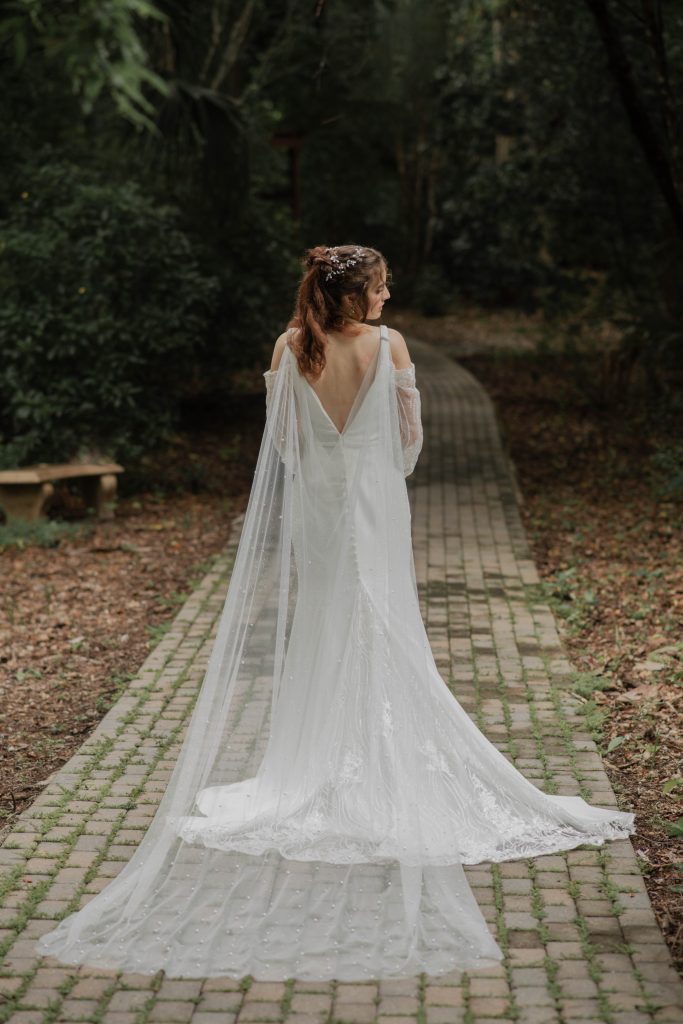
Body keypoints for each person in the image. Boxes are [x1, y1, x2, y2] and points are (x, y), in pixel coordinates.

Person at [36, 244, 635, 981]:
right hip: (376, 501)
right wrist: (377, 465)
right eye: (381, 285)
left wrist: (326, 464)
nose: (389, 294)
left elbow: (282, 441)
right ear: (355, 295)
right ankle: (375, 761)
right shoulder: (390, 347)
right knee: (382, 620)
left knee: (325, 623)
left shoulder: (290, 346)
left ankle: (318, 761)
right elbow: (410, 441)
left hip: (320, 504)